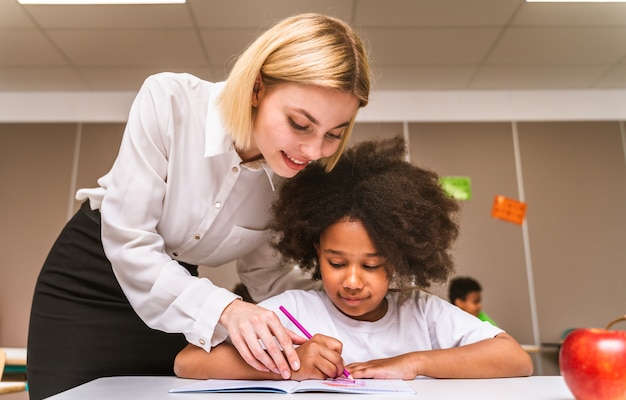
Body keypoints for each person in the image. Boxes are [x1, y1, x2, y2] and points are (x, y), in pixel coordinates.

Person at [26, 13, 371, 400]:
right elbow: (129, 240)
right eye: (299, 124)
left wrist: (360, 300)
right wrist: (227, 310)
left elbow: (268, 276)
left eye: (333, 135)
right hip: (91, 279)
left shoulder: (293, 176)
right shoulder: (169, 101)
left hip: (177, 305)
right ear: (257, 89)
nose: (312, 151)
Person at [174, 137, 534, 381]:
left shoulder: (422, 313)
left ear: (397, 259)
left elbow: (517, 359)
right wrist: (293, 366)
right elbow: (188, 362)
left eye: (373, 265)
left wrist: (412, 363)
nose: (352, 281)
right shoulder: (292, 311)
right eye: (336, 262)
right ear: (315, 251)